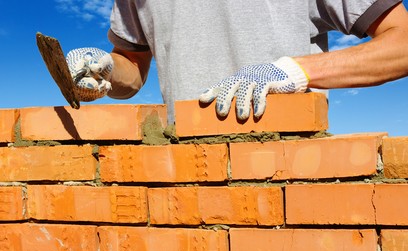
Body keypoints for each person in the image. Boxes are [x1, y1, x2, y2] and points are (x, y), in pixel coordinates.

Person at [66, 0, 408, 124]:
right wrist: (106, 68)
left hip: (285, 172)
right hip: (189, 169)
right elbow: (133, 64)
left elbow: (401, 43)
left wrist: (294, 71)